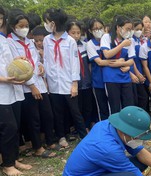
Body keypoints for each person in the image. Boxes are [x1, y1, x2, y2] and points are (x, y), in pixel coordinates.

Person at [7, 10, 58, 158]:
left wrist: (41, 67)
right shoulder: (9, 42)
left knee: (47, 114)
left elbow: (34, 60)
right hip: (26, 87)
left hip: (39, 83)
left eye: (26, 25)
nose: (24, 28)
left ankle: (49, 141)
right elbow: (16, 67)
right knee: (33, 118)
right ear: (12, 26)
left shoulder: (29, 42)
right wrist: (31, 85)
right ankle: (38, 148)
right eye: (20, 25)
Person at [43, 8, 87, 148]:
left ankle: (83, 135)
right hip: (54, 82)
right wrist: (46, 81)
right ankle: (61, 136)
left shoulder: (69, 41)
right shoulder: (46, 40)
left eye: (48, 22)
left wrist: (74, 83)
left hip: (68, 82)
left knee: (75, 111)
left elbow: (74, 63)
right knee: (58, 111)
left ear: (54, 23)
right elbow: (46, 60)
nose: (46, 24)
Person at [0, 7, 32, 176]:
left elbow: (5, 62)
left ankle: (13, 158)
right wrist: (4, 79)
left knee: (15, 126)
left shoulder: (3, 39)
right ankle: (7, 165)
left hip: (12, 88)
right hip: (2, 91)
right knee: (8, 127)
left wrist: (17, 61)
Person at [100, 15, 135, 114]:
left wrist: (123, 63)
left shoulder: (130, 40)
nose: (129, 31)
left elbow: (131, 60)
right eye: (127, 29)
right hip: (111, 77)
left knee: (128, 105)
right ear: (118, 28)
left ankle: (127, 128)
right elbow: (107, 54)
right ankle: (114, 128)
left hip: (125, 76)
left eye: (130, 29)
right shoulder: (107, 37)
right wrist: (122, 45)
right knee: (114, 106)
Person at [67, 20, 93, 131]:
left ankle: (86, 125)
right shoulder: (66, 46)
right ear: (67, 32)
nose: (76, 35)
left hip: (86, 80)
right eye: (73, 33)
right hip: (74, 82)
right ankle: (78, 127)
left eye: (78, 33)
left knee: (87, 105)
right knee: (77, 107)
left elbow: (89, 64)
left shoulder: (85, 45)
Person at [86, 18, 110, 121]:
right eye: (95, 29)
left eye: (100, 28)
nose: (98, 30)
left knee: (113, 106)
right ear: (90, 31)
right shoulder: (90, 44)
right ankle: (104, 129)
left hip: (111, 79)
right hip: (98, 80)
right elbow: (99, 62)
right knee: (102, 108)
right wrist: (119, 62)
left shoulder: (110, 40)